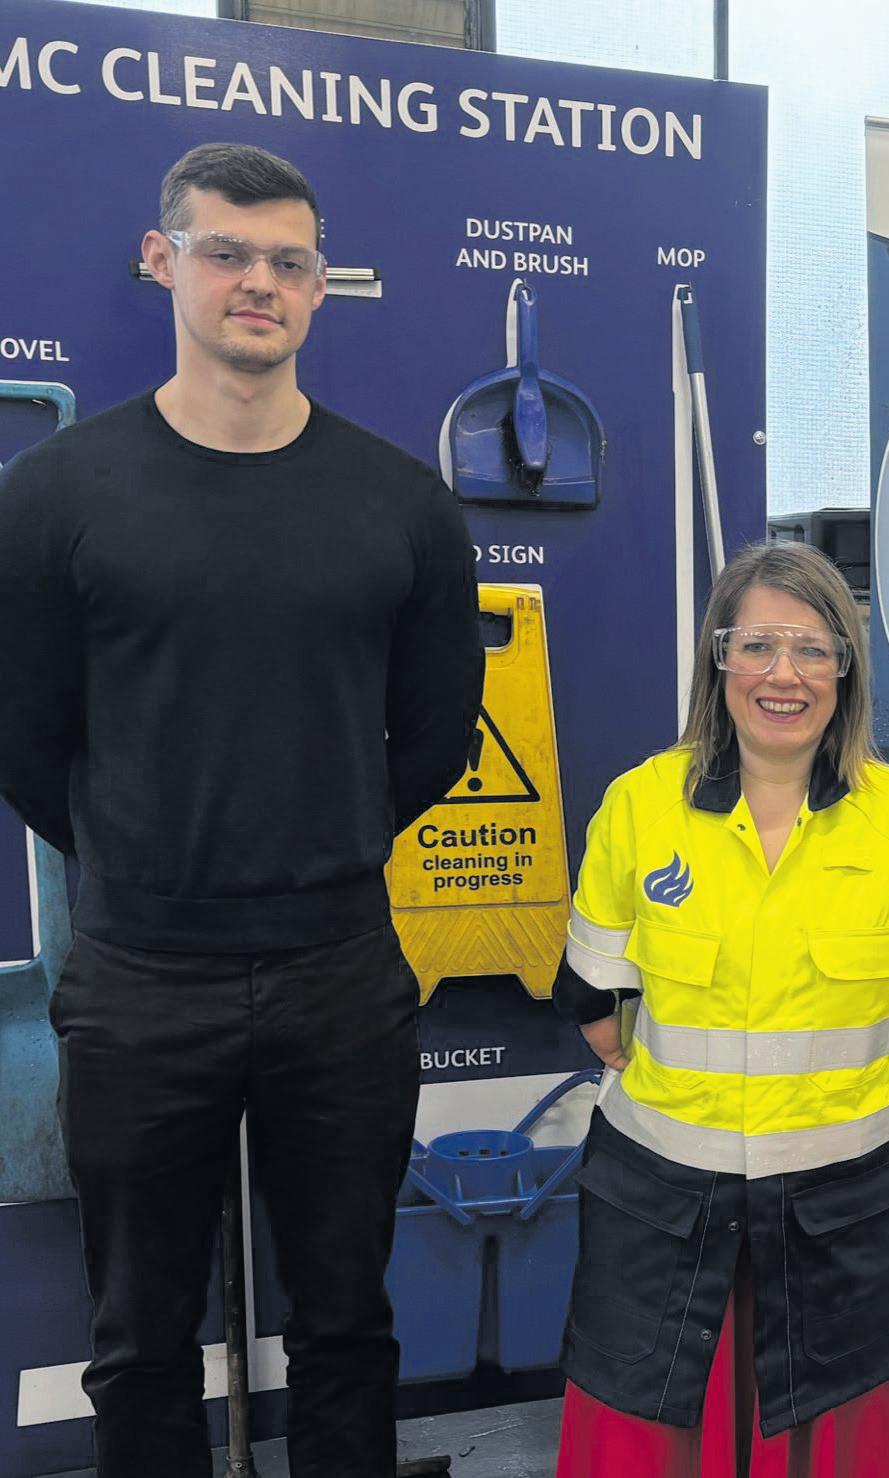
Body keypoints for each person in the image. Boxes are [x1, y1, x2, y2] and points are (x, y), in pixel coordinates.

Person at [0, 143, 483, 1478]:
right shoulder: (55, 495)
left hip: (342, 972)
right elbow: (22, 734)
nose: (256, 281)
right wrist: (141, 853)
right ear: (164, 260)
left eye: (287, 261)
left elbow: (436, 736)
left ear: (320, 287)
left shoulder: (404, 505)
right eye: (225, 252)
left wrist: (317, 841)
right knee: (139, 1340)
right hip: (140, 975)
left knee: (348, 1325)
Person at [551, 540, 889, 1476]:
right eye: (755, 645)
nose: (782, 674)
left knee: (841, 1425)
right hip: (665, 1202)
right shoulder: (640, 806)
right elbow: (593, 992)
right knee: (654, 1419)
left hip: (844, 1207)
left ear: (845, 668)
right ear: (719, 662)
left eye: (811, 648)